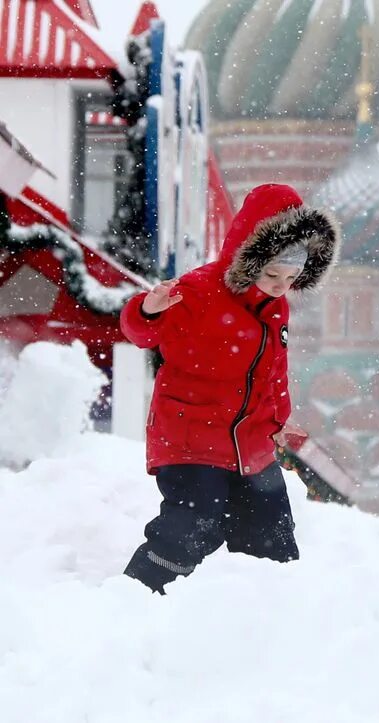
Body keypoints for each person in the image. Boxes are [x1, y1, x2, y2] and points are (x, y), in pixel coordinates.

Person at [119, 183, 339, 593]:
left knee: (273, 538)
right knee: (192, 526)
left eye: (291, 278)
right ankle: (134, 599)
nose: (279, 285)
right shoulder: (200, 290)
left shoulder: (277, 307)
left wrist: (278, 421)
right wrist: (148, 308)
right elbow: (141, 333)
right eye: (272, 274)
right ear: (250, 256)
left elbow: (274, 370)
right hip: (190, 436)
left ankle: (261, 619)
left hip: (251, 445)